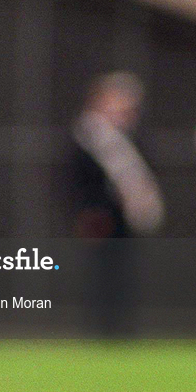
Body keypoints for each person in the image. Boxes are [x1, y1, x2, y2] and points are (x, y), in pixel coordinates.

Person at [70, 71, 164, 337]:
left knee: (126, 272)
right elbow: (77, 179)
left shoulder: (133, 136)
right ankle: (100, 328)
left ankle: (124, 327)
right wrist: (88, 212)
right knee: (101, 273)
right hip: (100, 215)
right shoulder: (88, 134)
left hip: (128, 215)